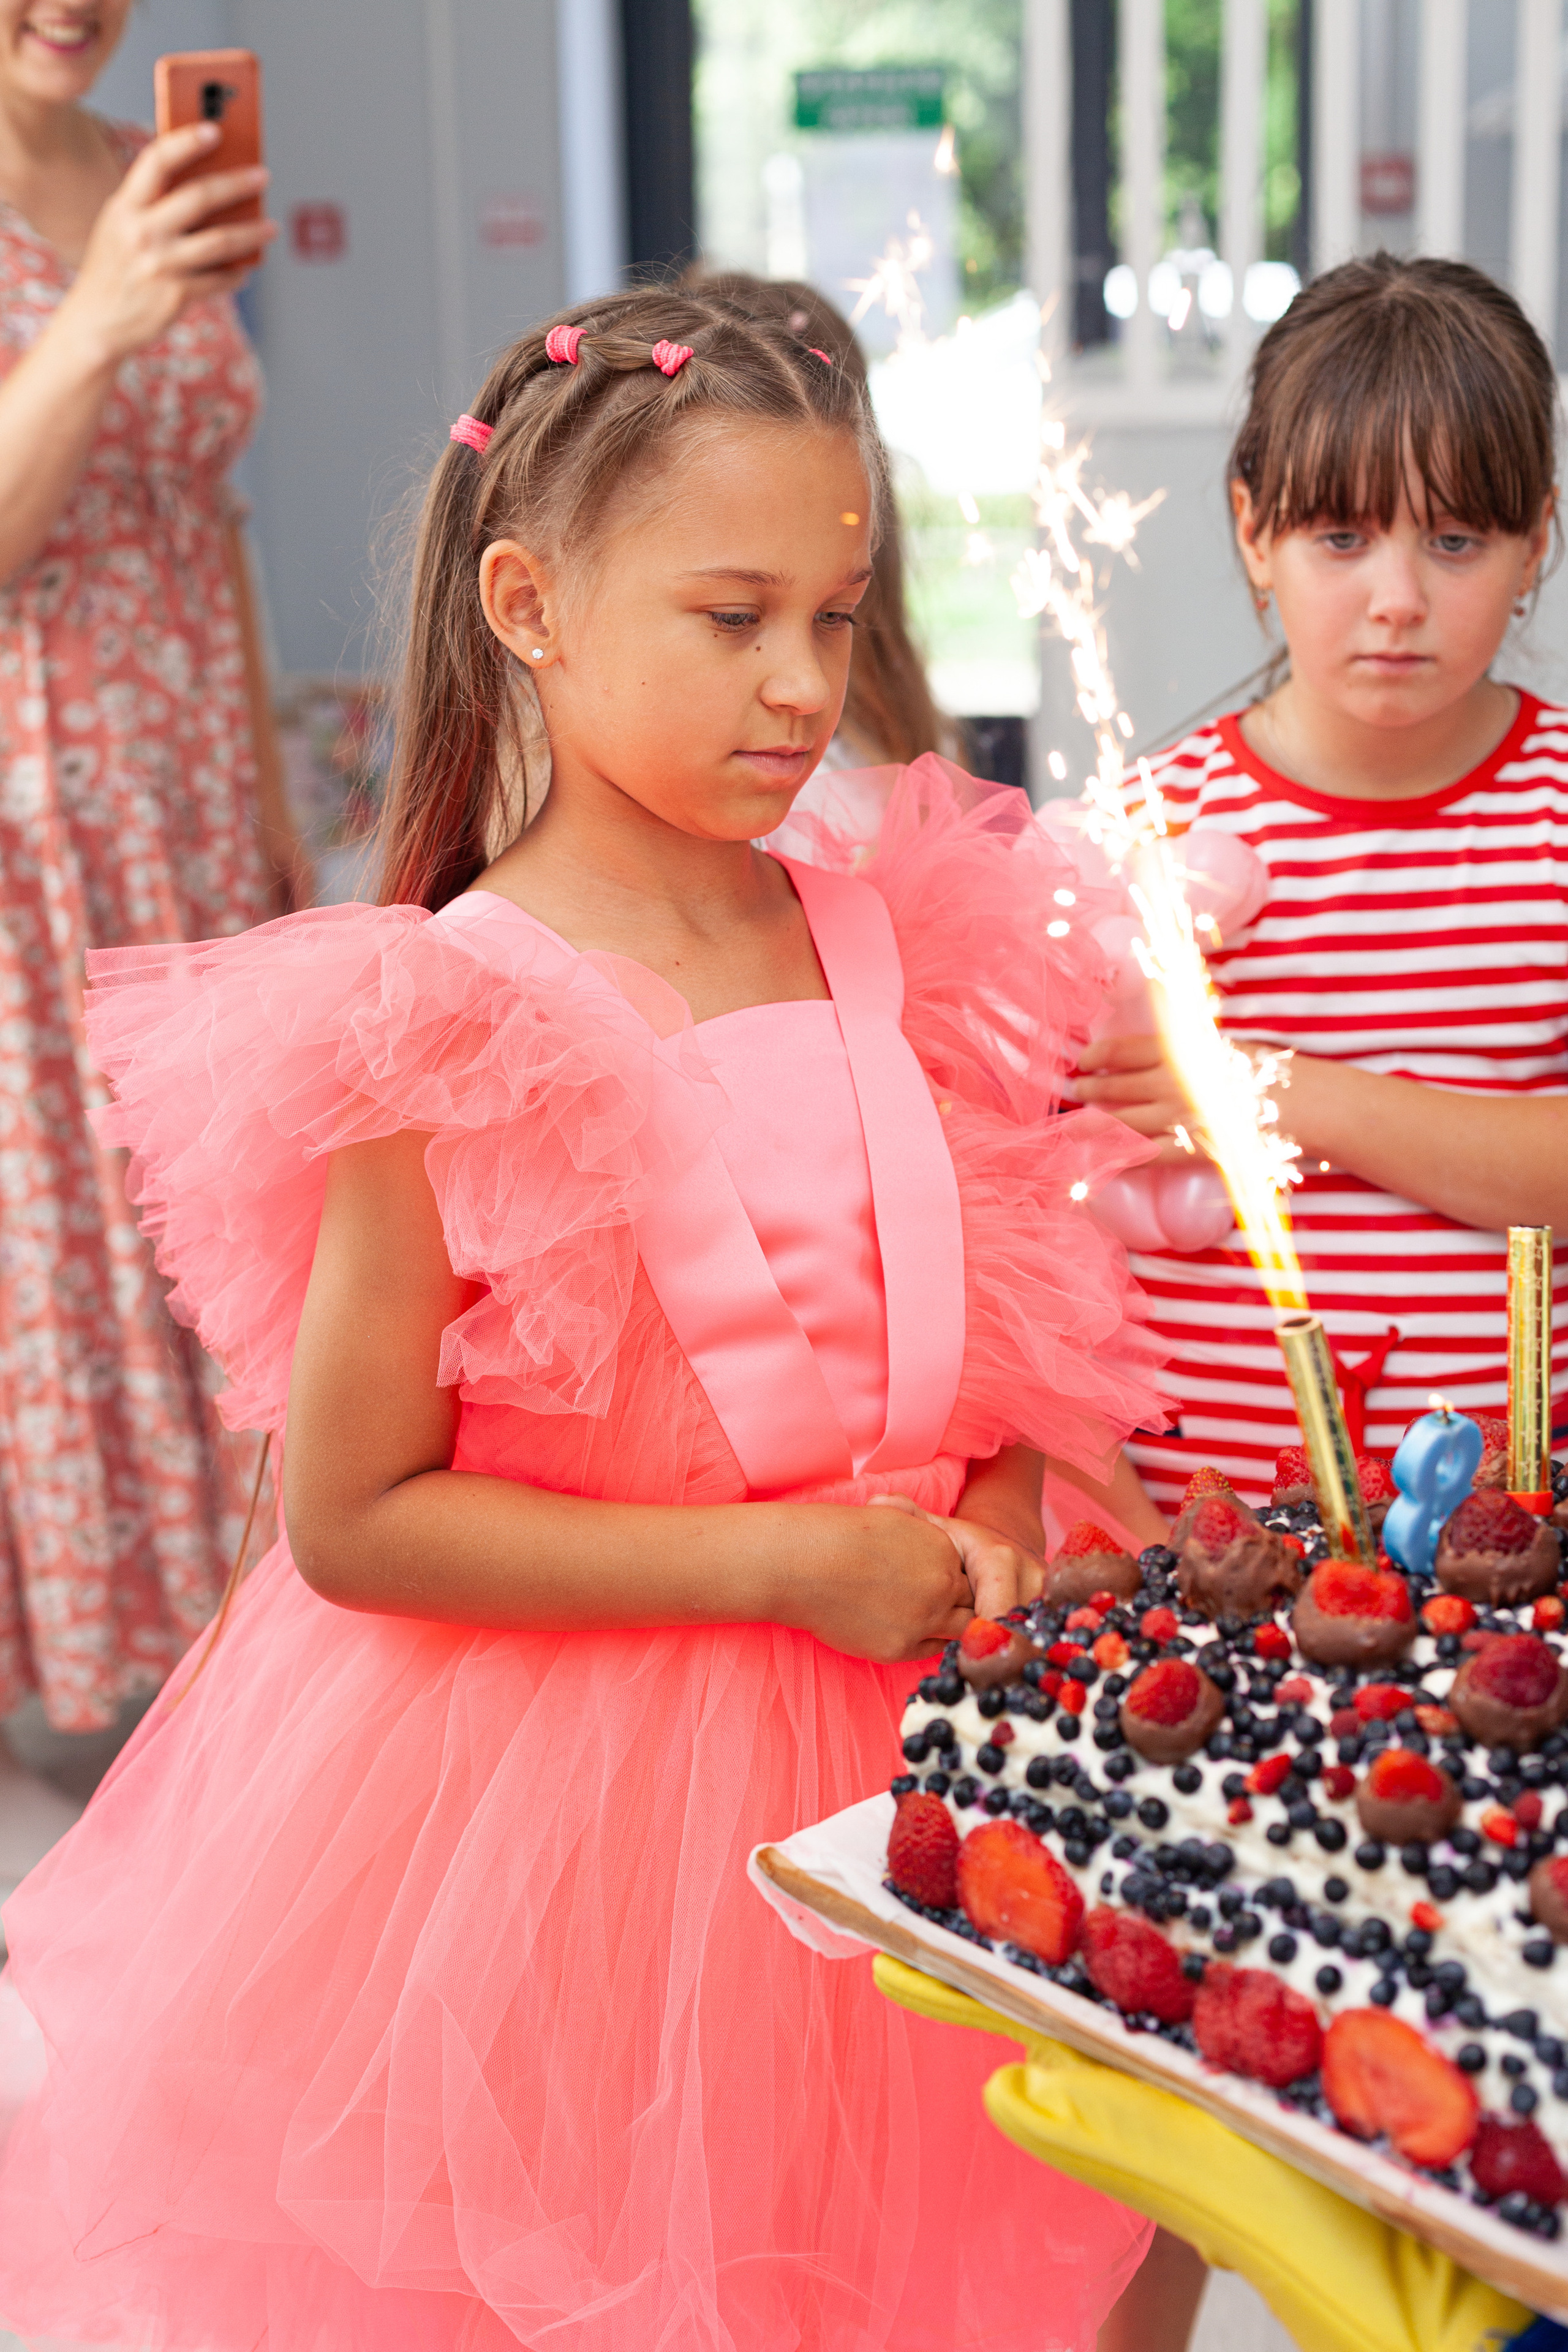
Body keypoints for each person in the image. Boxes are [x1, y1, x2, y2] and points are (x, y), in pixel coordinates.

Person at [0, 288, 1169, 2350]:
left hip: (926, 1731)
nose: (805, 683)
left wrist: (990, 1497)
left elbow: (1010, 1331)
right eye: (733, 618)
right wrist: (784, 1560)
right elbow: (355, 1519)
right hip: (589, 1812)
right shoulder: (435, 1022)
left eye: (836, 612)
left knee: (959, 2249)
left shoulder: (906, 939)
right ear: (531, 603)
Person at [1072, 255, 1566, 1520]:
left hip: (1514, 1556)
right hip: (1200, 1548)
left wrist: (1274, 1090)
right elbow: (1039, 1219)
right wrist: (1127, 1526)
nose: (1394, 601)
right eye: (1338, 537)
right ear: (1253, 529)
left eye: (1454, 541)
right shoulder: (1143, 835)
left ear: (1536, 542)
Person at [0, 0, 307, 1738]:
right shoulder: (117, 237)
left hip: (190, 790)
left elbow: (211, 503)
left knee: (225, 1211)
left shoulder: (148, 165)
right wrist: (103, 318)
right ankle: (88, 1664)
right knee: (60, 1225)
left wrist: (270, 797)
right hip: (31, 813)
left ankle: (223, 1640)